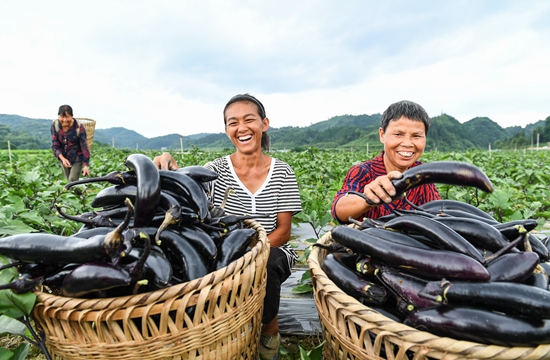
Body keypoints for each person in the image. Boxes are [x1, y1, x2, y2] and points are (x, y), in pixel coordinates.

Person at [154, 94, 302, 360]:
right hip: (226, 254)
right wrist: (167, 165)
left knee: (266, 266)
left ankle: (269, 329)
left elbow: (283, 231)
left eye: (249, 120)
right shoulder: (214, 170)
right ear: (226, 131)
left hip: (273, 249)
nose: (241, 128)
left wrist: (251, 255)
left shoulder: (282, 171)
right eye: (233, 123)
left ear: (264, 124)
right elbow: (188, 190)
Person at [331, 100, 440, 222]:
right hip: (366, 240)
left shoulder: (423, 175)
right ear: (382, 135)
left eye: (416, 136)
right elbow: (339, 209)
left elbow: (436, 213)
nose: (408, 143)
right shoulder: (363, 172)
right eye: (398, 134)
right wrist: (368, 199)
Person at [51, 105, 91, 182]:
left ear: (72, 116)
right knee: (69, 181)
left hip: (77, 157)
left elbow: (84, 147)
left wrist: (86, 166)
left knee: (72, 180)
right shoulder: (55, 126)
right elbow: (55, 145)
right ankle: (78, 193)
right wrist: (62, 159)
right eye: (62, 117)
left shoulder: (79, 127)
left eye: (67, 117)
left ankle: (75, 193)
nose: (65, 120)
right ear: (58, 116)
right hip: (63, 157)